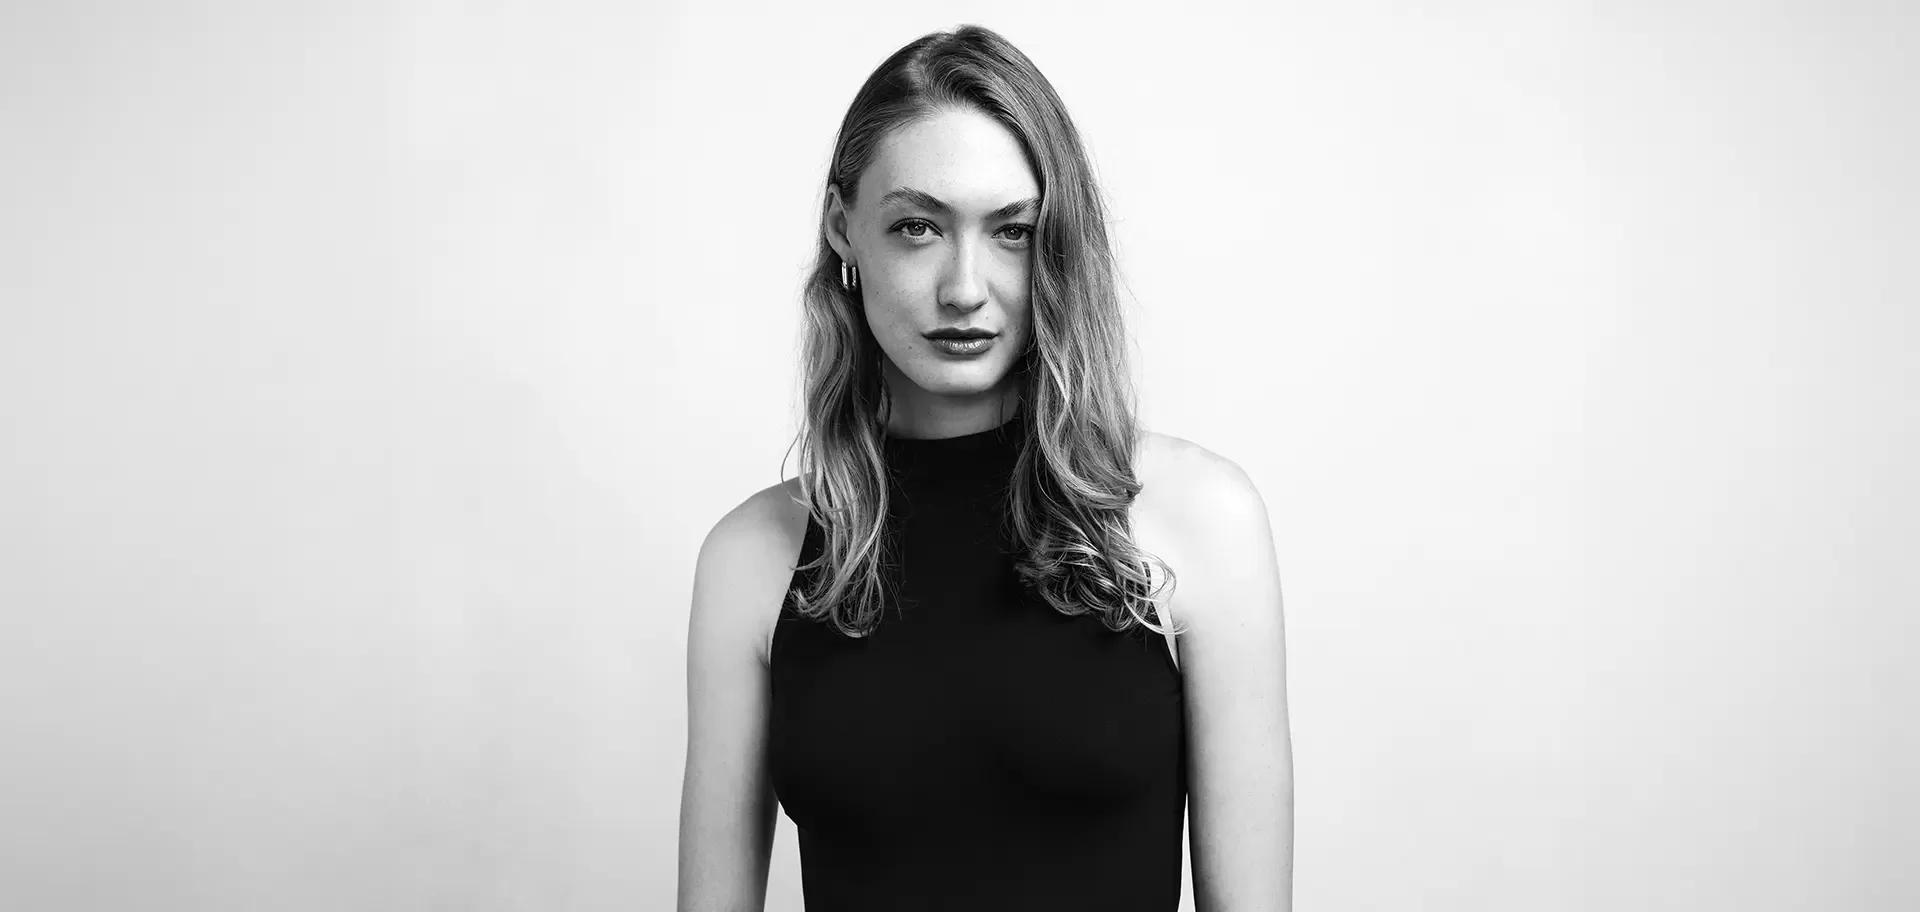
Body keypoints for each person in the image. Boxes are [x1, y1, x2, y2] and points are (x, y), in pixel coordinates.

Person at [677, 25, 1292, 911]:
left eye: (1012, 231)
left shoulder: (1201, 521)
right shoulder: (752, 557)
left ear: (1059, 243)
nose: (964, 286)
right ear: (844, 227)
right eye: (918, 227)